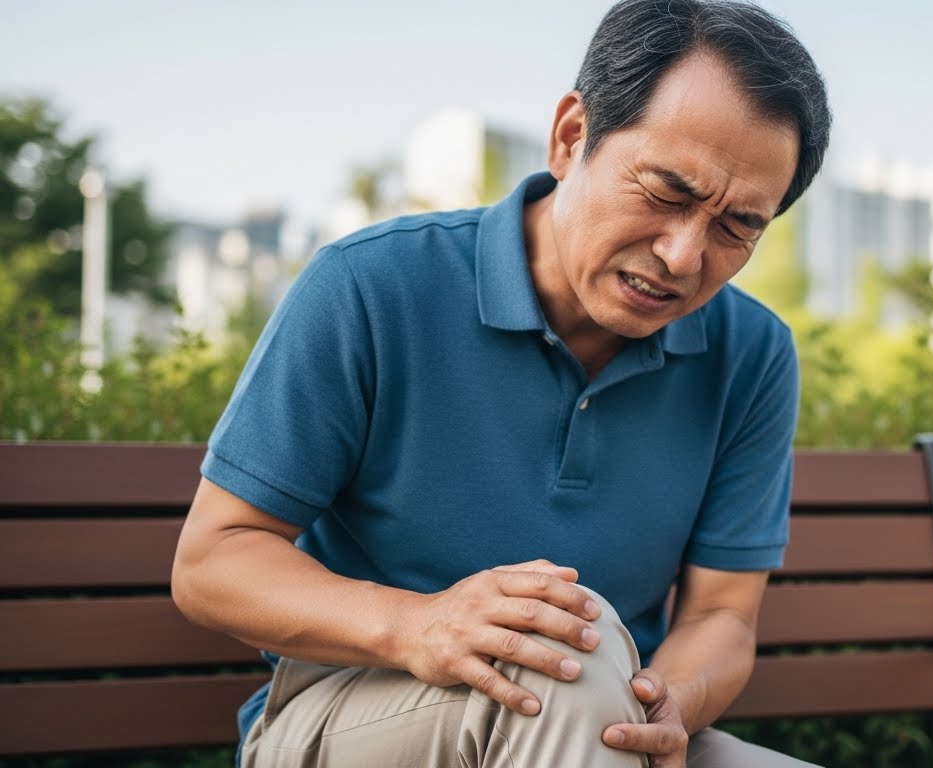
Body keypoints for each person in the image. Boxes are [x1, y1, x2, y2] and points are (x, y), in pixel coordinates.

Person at [171, 1, 831, 765]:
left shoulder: (750, 354)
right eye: (666, 193)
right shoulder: (370, 285)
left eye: (735, 226)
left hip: (601, 711)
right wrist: (418, 624)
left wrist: (669, 701)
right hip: (351, 712)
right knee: (560, 671)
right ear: (571, 136)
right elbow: (213, 562)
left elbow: (721, 615)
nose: (684, 256)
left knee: (584, 685)